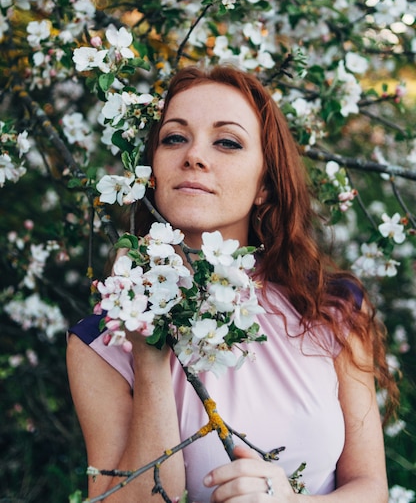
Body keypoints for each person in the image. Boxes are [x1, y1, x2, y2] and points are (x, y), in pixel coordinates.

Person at [67, 65, 398, 503]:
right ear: (151, 170)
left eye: (227, 142)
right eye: (174, 138)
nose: (195, 156)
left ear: (264, 185)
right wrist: (149, 361)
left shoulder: (329, 306)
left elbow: (371, 488)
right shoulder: (102, 340)